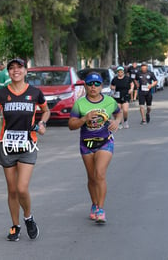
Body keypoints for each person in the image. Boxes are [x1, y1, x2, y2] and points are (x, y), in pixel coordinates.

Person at [0, 58, 50, 241]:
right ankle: (15, 226)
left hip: (27, 144)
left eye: (19, 67)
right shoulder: (1, 94)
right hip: (7, 146)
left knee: (22, 188)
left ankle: (28, 217)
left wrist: (42, 123)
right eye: (12, 68)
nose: (15, 70)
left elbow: (46, 110)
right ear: (8, 72)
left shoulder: (34, 93)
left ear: (25, 71)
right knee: (12, 190)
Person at [68, 72, 122, 224]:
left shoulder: (110, 101)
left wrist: (117, 122)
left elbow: (119, 114)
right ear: (85, 86)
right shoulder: (80, 103)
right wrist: (84, 118)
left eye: (97, 84)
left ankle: (101, 208)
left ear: (101, 86)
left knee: (100, 174)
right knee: (92, 177)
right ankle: (94, 204)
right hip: (87, 144)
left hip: (105, 141)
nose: (93, 87)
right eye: (90, 84)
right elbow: (71, 125)